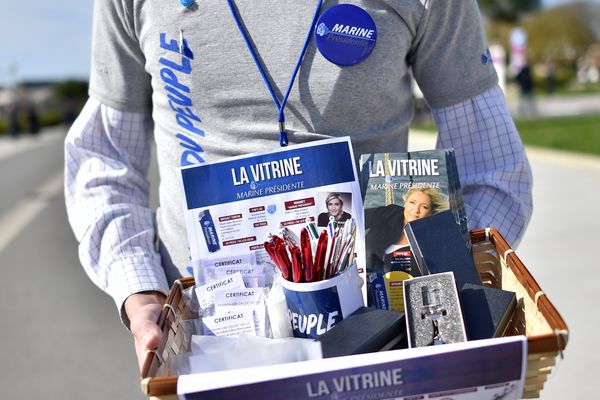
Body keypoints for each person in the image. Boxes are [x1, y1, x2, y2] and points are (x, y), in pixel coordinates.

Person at [64, 1, 533, 370]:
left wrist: (439, 298)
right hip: (207, 341)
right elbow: (104, 159)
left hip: (379, 345)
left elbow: (492, 168)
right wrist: (140, 291)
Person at [364, 186, 448, 273]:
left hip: (399, 284)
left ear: (430, 213)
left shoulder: (432, 241)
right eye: (412, 202)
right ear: (405, 203)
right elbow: (356, 217)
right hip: (363, 276)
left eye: (424, 207)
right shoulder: (390, 213)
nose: (416, 210)